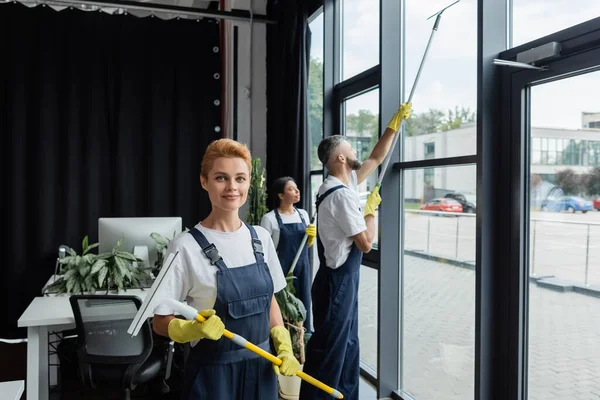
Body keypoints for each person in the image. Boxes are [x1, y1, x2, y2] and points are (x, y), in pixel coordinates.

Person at [152, 139, 301, 399]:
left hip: (263, 367)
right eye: (221, 178)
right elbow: (160, 322)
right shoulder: (184, 247)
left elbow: (270, 301)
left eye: (240, 179)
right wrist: (192, 330)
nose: (232, 187)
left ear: (249, 183)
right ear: (204, 181)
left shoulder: (261, 238)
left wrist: (284, 345)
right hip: (213, 377)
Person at [299, 102, 412, 400]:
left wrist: (395, 122)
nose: (355, 153)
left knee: (348, 344)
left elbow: (376, 158)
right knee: (330, 350)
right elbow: (365, 243)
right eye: (350, 149)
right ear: (340, 158)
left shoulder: (338, 184)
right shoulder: (341, 197)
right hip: (338, 283)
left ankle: (347, 396)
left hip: (335, 281)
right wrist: (371, 211)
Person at [260, 177, 317, 333]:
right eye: (291, 189)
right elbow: (264, 250)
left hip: (302, 267)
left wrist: (311, 239)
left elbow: (306, 245)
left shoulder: (304, 215)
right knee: (283, 305)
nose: (297, 191)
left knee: (303, 303)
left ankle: (303, 339)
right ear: (281, 195)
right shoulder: (269, 219)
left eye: (297, 188)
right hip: (281, 269)